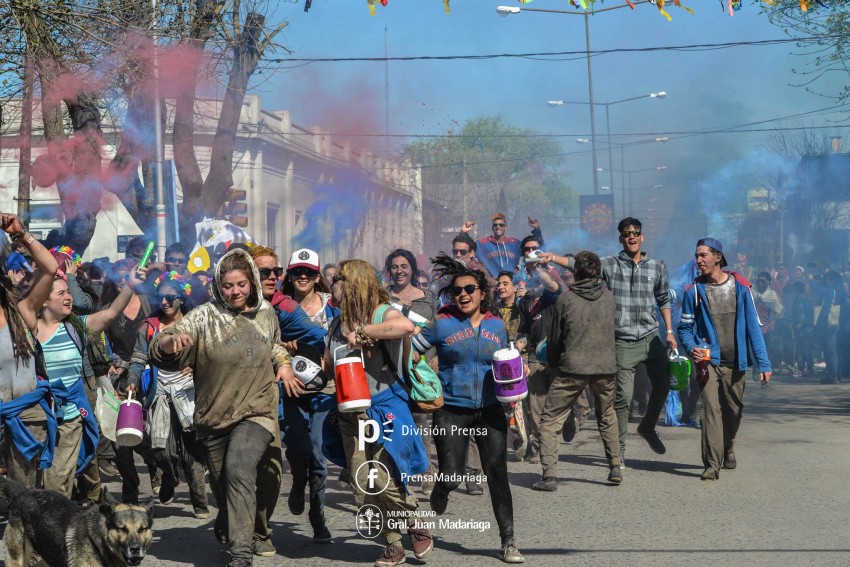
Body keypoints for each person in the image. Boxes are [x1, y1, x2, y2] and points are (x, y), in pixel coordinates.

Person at [149, 249, 294, 567]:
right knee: (222, 483)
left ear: (251, 282)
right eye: (228, 286)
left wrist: (283, 363)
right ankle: (229, 517)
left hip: (257, 411)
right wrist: (168, 344)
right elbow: (165, 341)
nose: (235, 292)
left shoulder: (266, 312)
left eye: (241, 284)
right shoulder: (204, 316)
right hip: (213, 416)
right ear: (218, 285)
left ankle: (241, 555)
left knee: (239, 468)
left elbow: (273, 345)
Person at [320, 259, 433, 567]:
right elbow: (328, 367)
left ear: (352, 283)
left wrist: (363, 332)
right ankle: (393, 544)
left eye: (337, 280)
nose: (332, 285)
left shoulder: (381, 312)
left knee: (385, 476)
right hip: (350, 414)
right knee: (364, 485)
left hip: (385, 408)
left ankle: (413, 521)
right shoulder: (334, 324)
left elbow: (405, 326)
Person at [412, 254, 525, 564]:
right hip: (451, 409)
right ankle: (442, 489)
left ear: (481, 293)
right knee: (452, 475)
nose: (463, 294)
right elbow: (410, 351)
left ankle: (508, 541)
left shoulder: (497, 325)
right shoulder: (441, 323)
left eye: (469, 289)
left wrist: (520, 370)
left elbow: (507, 360)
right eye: (457, 290)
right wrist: (420, 373)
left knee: (497, 473)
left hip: (490, 409)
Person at [562, 218, 676, 466]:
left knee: (664, 385)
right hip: (623, 340)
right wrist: (551, 257)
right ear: (621, 239)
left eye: (635, 232)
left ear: (642, 236)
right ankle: (619, 451)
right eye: (626, 233)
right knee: (623, 397)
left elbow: (664, 300)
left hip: (651, 337)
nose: (631, 236)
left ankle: (647, 427)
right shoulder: (610, 266)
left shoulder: (656, 268)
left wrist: (669, 331)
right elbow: (578, 264)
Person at [37, 263, 145, 497]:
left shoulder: (77, 327)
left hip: (69, 417)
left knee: (58, 481)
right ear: (43, 300)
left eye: (69, 292)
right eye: (61, 293)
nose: (68, 297)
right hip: (37, 417)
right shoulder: (28, 330)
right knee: (35, 481)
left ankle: (77, 505)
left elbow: (110, 313)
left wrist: (131, 284)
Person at [678, 238, 772, 481]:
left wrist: (763, 363)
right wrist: (692, 347)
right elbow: (685, 328)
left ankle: (729, 444)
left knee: (733, 411)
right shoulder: (693, 291)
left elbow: (753, 328)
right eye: (697, 256)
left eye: (703, 255)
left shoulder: (741, 287)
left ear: (718, 257)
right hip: (708, 363)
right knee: (710, 411)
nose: (698, 260)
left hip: (736, 364)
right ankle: (712, 464)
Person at [532, 251, 621, 490]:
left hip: (572, 368)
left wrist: (553, 362)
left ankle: (549, 476)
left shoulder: (566, 299)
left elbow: (555, 339)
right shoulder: (609, 298)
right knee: (607, 414)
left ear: (576, 272)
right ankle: (615, 466)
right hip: (605, 368)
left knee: (550, 420)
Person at [126, 271, 209, 518]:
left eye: (170, 298)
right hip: (158, 394)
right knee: (161, 449)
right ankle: (169, 478)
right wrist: (132, 381)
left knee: (193, 451)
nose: (164, 302)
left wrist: (197, 366)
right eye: (160, 297)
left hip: (190, 394)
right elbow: (138, 357)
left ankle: (200, 503)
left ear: (182, 298)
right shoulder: (149, 327)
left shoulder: (195, 324)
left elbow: (209, 354)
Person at [279, 248, 334, 543]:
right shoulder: (280, 306)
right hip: (291, 389)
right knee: (297, 448)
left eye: (309, 272)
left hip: (325, 390)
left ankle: (317, 515)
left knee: (318, 453)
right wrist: (283, 345)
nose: (303, 276)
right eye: (297, 271)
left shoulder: (331, 305)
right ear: (289, 275)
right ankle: (299, 478)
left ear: (317, 276)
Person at [0, 215, 59, 488]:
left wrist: (21, 234)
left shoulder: (22, 311)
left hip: (26, 418)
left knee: (23, 498)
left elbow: (50, 268)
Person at [516, 237, 563, 463]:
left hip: (557, 355)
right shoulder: (525, 300)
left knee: (558, 403)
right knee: (535, 404)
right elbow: (524, 331)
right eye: (527, 251)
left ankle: (569, 421)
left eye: (535, 250)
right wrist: (517, 347)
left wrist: (537, 267)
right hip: (535, 356)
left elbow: (552, 285)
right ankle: (540, 448)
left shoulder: (551, 291)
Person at [458, 213, 542, 278]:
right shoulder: (482, 244)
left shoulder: (514, 244)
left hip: (512, 285)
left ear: (506, 227)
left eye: (501, 225)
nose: (498, 227)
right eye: (495, 225)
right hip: (492, 286)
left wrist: (537, 229)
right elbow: (464, 246)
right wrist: (463, 232)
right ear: (492, 227)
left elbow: (535, 246)